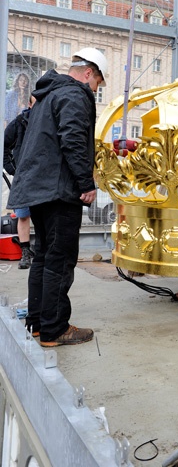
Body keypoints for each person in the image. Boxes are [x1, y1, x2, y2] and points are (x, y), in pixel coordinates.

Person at [8, 47, 108, 347]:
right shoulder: (75, 95)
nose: (95, 90)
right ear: (88, 73)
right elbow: (73, 139)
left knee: (43, 260)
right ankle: (55, 329)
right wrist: (85, 183)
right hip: (60, 191)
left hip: (39, 190)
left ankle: (38, 324)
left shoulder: (46, 96)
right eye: (97, 84)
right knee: (60, 261)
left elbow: (14, 136)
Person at [3, 96, 36, 269]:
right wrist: (11, 168)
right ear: (29, 104)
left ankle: (41, 253)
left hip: (43, 177)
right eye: (34, 102)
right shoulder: (19, 122)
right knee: (23, 215)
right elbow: (4, 145)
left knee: (43, 215)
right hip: (23, 177)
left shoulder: (49, 121)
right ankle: (25, 253)